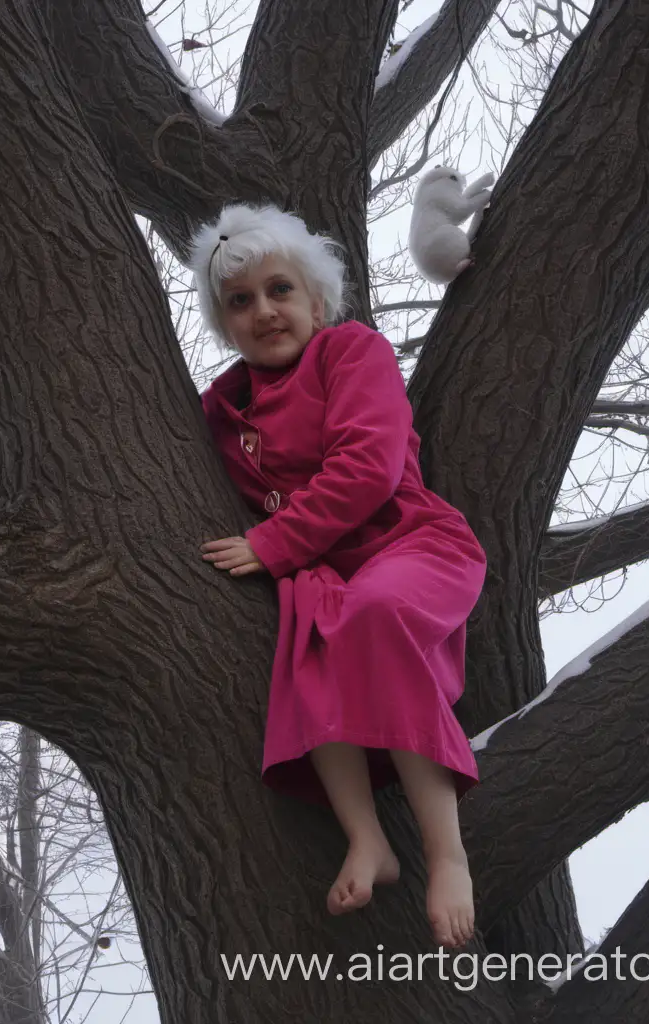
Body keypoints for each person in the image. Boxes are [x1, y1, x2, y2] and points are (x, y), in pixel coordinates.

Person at [189, 202, 487, 949]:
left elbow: (369, 467)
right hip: (322, 570)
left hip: (405, 544)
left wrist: (272, 542)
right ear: (224, 324)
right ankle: (368, 840)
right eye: (240, 301)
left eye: (281, 290)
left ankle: (447, 855)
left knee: (376, 613)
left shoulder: (350, 352)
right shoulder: (221, 411)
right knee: (308, 643)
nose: (264, 311)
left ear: (317, 302)